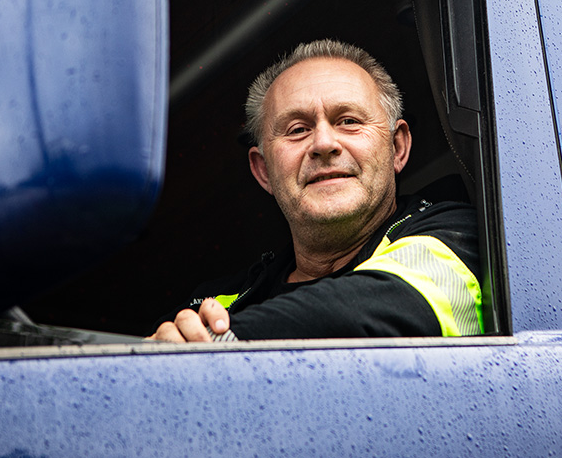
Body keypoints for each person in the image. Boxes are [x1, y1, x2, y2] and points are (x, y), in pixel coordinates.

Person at [148, 40, 484, 342]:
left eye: (349, 121)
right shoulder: (217, 302)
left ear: (397, 147)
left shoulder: (458, 235)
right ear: (263, 170)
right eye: (297, 129)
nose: (324, 144)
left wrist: (217, 342)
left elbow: (381, 306)